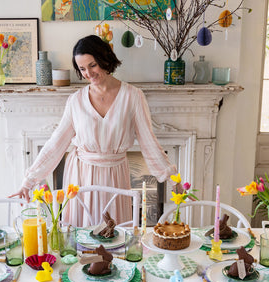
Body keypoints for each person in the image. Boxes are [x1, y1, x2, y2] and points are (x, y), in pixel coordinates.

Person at [10, 35, 179, 226]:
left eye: (92, 65)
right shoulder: (75, 101)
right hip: (82, 176)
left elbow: (149, 142)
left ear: (105, 59)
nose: (88, 73)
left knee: (114, 235)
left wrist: (174, 181)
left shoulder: (133, 96)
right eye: (82, 69)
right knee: (83, 237)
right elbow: (56, 143)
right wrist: (28, 181)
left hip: (115, 175)